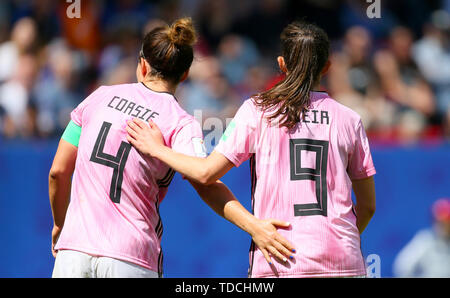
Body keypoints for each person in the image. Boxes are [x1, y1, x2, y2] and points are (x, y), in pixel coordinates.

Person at [126, 21, 377, 278]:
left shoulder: (258, 110)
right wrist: (338, 242)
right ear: (327, 67)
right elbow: (368, 207)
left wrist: (157, 149)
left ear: (281, 64)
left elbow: (205, 173)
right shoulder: (349, 119)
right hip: (344, 261)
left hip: (281, 258)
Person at [49, 17, 294, 278]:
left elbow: (58, 171)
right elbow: (205, 181)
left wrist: (60, 223)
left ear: (142, 66)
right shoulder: (180, 122)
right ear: (185, 75)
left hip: (73, 253)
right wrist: (254, 226)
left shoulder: (98, 97)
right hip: (131, 256)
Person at [393, 198, 450, 278]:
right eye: (440, 222)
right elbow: (402, 267)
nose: (444, 227)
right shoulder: (425, 241)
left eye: (447, 222)